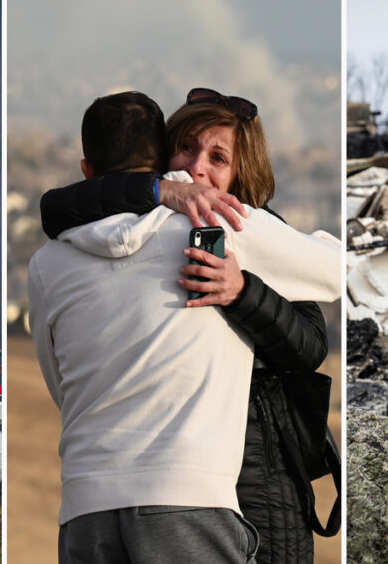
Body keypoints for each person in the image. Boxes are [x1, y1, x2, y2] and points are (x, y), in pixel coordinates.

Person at [28, 90, 340, 564]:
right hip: (193, 496)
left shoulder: (47, 261)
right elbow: (338, 268)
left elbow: (60, 383)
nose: (197, 169)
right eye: (187, 149)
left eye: (217, 157)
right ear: (159, 159)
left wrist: (244, 289)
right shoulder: (224, 224)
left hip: (85, 508)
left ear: (88, 169)